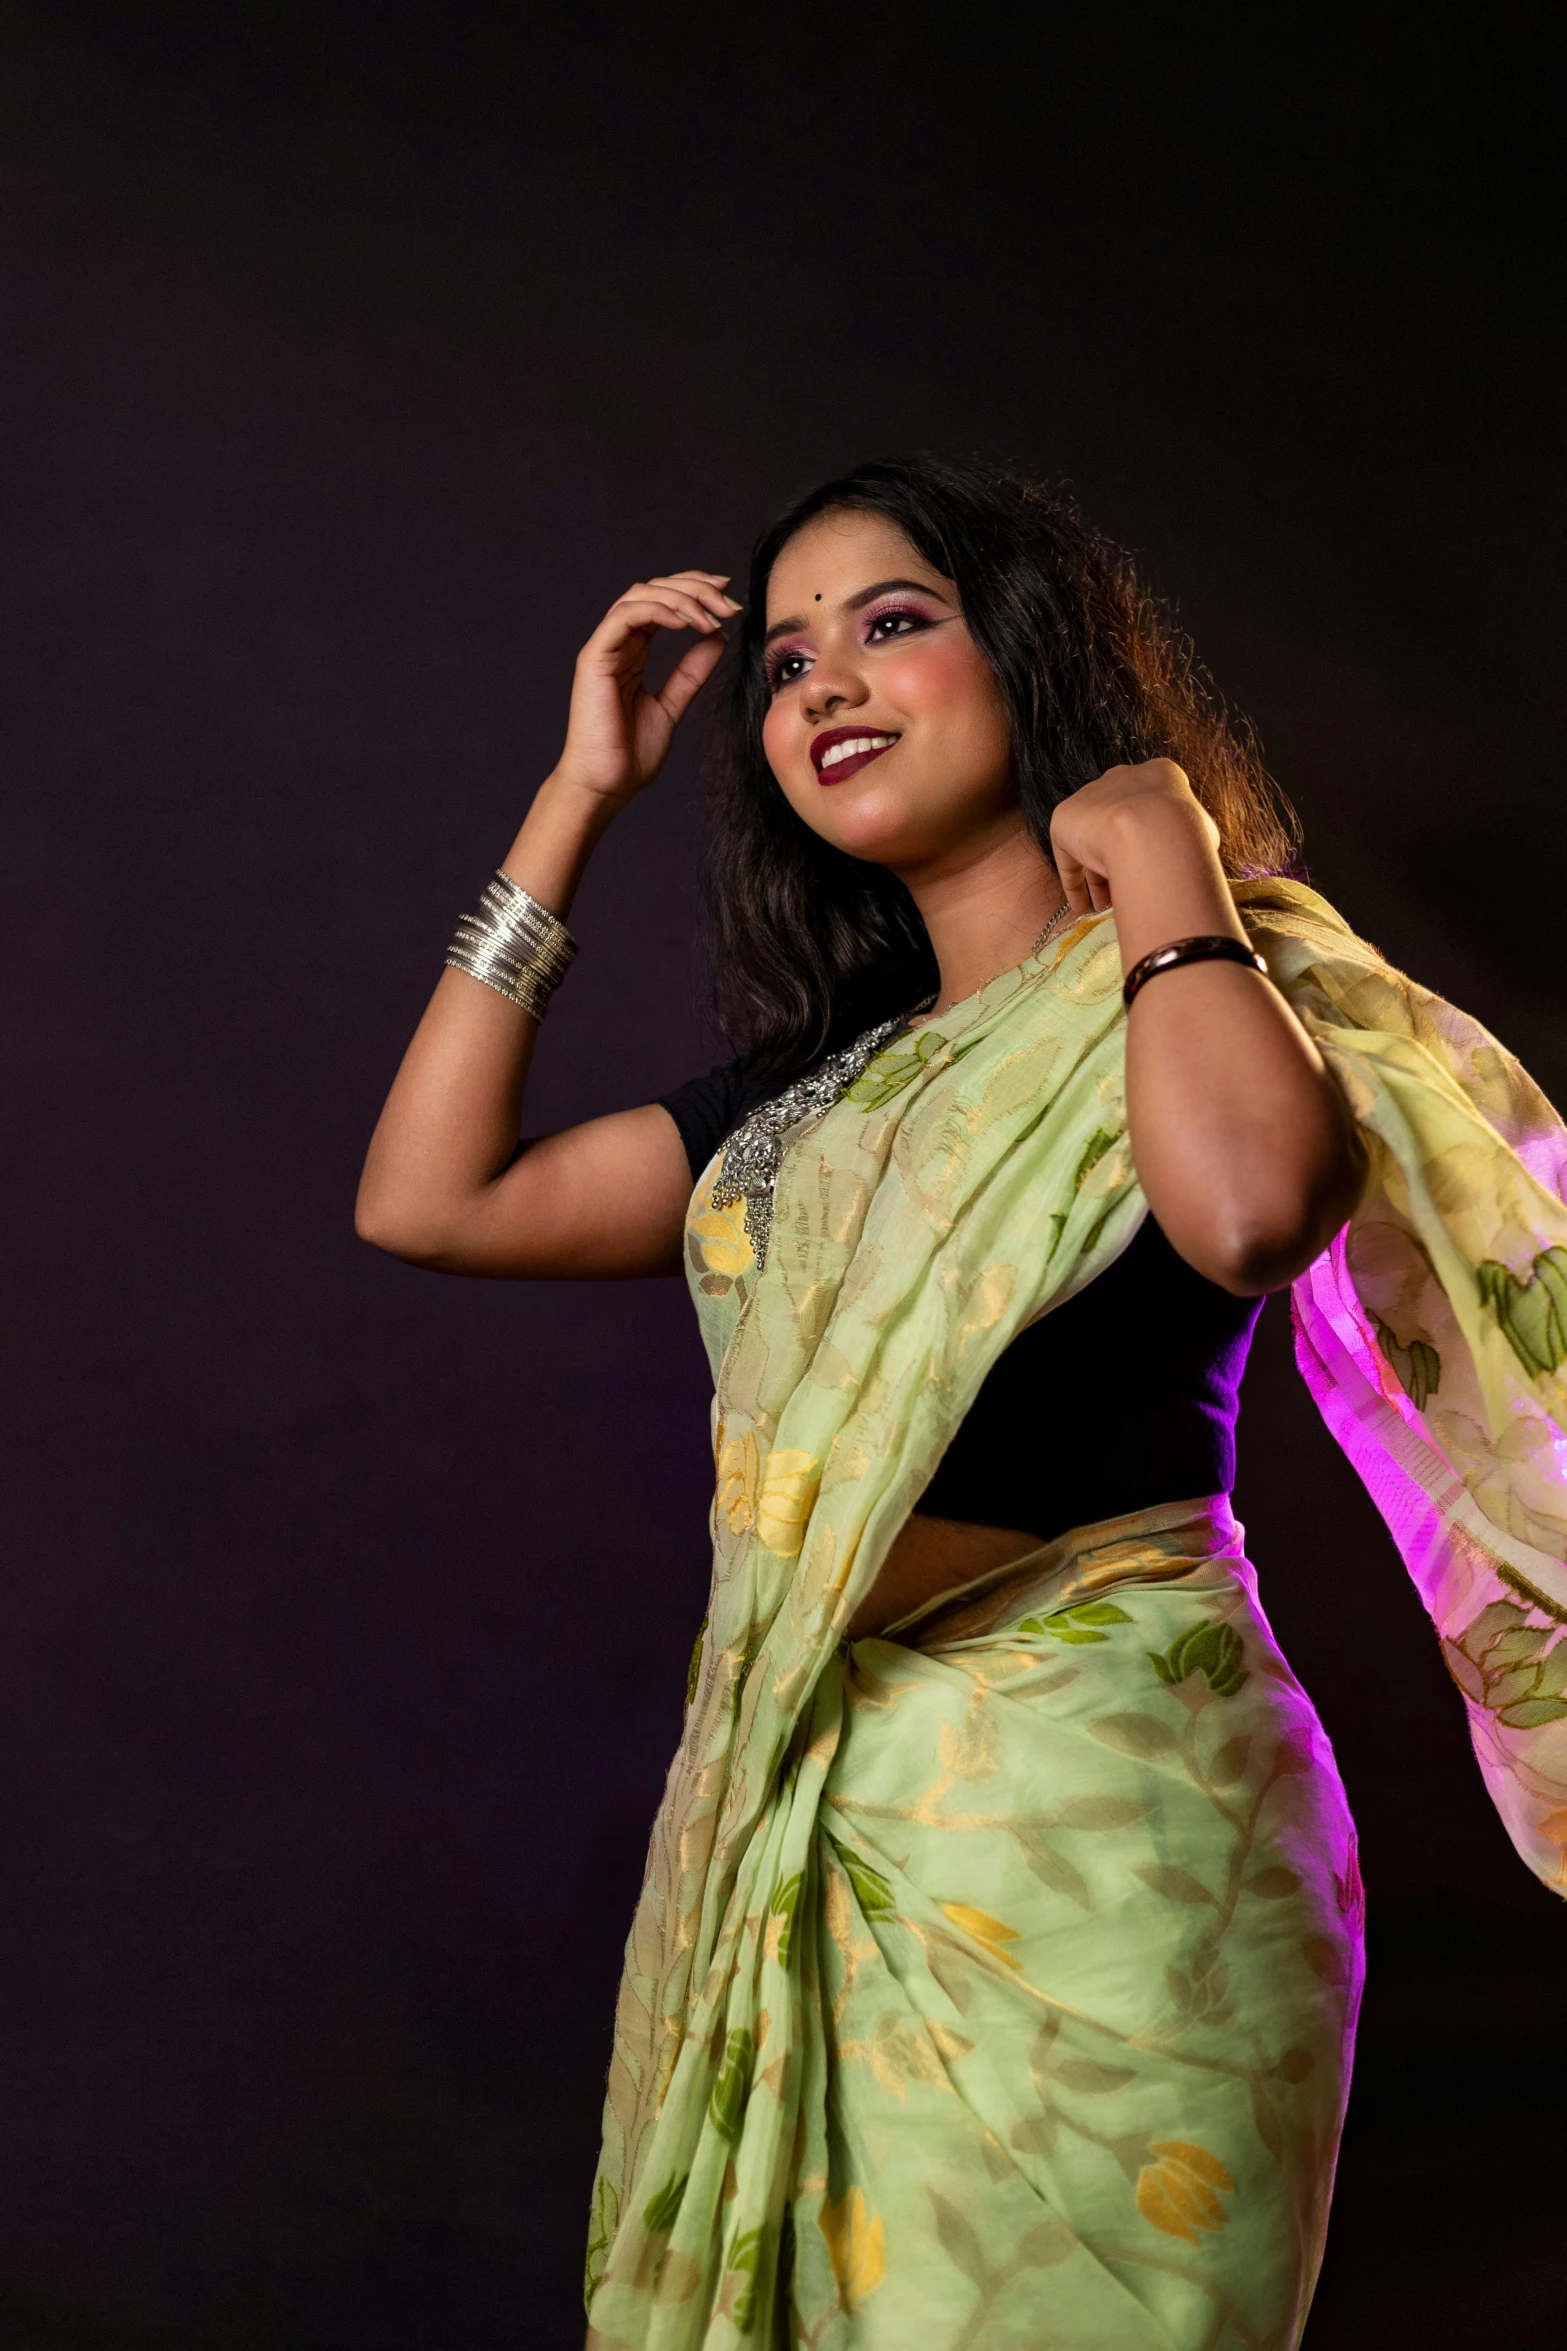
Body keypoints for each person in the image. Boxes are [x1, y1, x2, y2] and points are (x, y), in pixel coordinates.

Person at [356, 456, 1567, 2351]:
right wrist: (576, 794)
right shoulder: (806, 1106)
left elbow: (1249, 1211)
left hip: (1114, 1836)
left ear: (1024, 659)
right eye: (781, 662)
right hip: (833, 1829)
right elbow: (429, 1196)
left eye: (892, 625)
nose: (823, 683)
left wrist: (1168, 866)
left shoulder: (1205, 978)